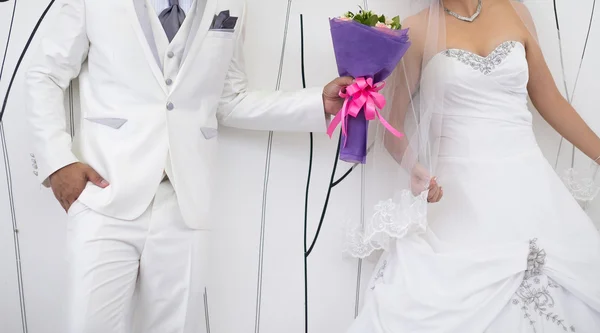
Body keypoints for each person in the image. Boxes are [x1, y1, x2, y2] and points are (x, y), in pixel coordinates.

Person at [25, 0, 351, 332]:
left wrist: (316, 103)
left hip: (185, 201)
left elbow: (229, 99)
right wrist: (57, 162)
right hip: (104, 193)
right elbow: (45, 74)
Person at [344, 0, 600, 332]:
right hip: (461, 196)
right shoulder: (417, 29)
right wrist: (416, 169)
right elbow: (392, 127)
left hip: (530, 183)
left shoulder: (516, 12)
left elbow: (549, 99)